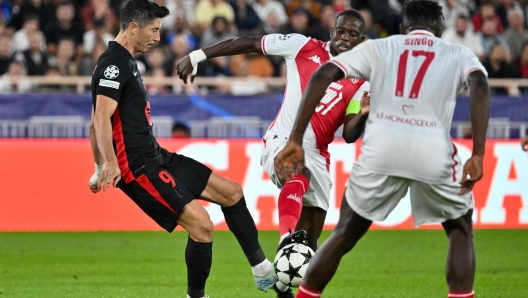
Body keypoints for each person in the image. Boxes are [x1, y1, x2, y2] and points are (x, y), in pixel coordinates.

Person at [274, 1, 491, 298]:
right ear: (440, 30)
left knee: (344, 233)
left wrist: (296, 139)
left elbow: (324, 74)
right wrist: (478, 153)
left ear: (403, 28)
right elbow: (479, 82)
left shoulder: (382, 47)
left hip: (382, 147)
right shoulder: (456, 52)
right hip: (433, 148)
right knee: (460, 229)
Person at [87, 1, 277, 298]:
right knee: (202, 227)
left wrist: (98, 167)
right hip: (138, 168)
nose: (157, 37)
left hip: (156, 156)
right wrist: (109, 164)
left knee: (231, 192)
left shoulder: (126, 61)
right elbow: (100, 116)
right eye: (154, 30)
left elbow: (92, 123)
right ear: (133, 27)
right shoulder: (115, 63)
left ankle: (262, 269)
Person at [176, 9, 370, 298]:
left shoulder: (360, 80)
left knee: (307, 251)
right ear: (332, 31)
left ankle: (282, 283)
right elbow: (250, 42)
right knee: (296, 176)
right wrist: (198, 56)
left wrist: (364, 113)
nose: (344, 38)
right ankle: (285, 239)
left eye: (352, 34)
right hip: (283, 141)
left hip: (319, 154)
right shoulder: (302, 46)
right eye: (340, 31)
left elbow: (351, 133)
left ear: (361, 39)